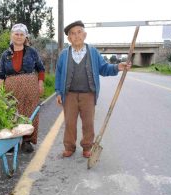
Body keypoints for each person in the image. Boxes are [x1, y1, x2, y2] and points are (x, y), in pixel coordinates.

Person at [55, 20, 132, 158]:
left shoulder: (93, 52)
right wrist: (58, 92)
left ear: (85, 35)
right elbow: (59, 74)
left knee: (88, 123)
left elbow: (104, 68)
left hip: (88, 94)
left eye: (79, 32)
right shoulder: (64, 54)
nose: (76, 36)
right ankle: (69, 147)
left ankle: (87, 147)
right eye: (73, 34)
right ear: (69, 38)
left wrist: (117, 67)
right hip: (70, 94)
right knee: (69, 123)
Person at [0, 23, 45, 153]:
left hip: (30, 85)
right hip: (11, 86)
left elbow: (41, 68)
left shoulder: (32, 52)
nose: (18, 36)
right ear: (12, 35)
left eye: (21, 34)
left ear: (25, 36)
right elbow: (1, 74)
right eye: (16, 34)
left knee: (30, 112)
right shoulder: (5, 54)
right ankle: (11, 142)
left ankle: (27, 141)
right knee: (12, 112)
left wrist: (41, 83)